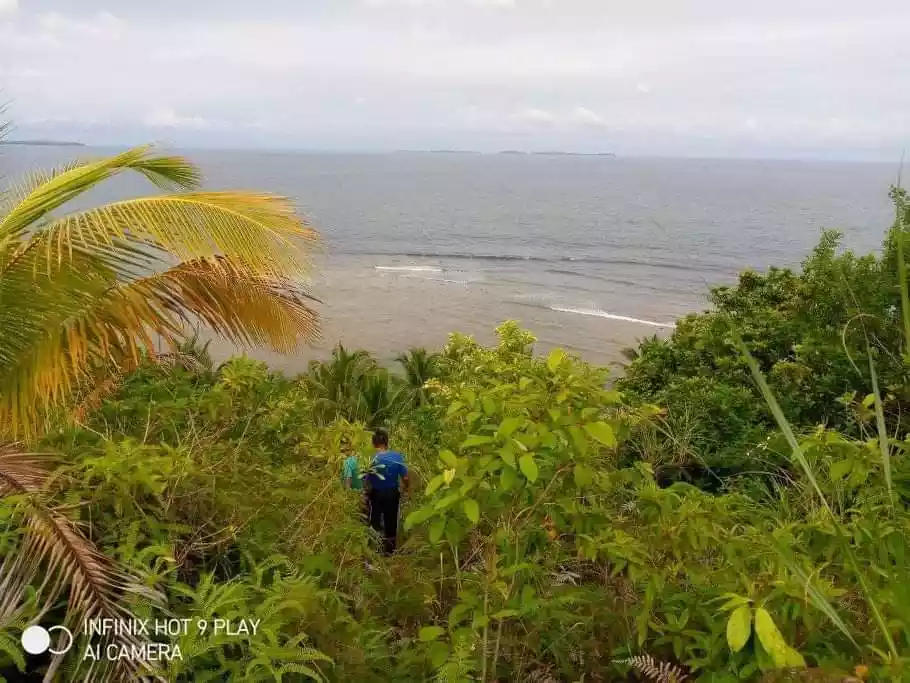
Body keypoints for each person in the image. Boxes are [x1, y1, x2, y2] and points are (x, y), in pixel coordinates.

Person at [365, 428, 409, 555]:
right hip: (392, 494)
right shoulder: (396, 457)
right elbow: (405, 478)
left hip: (376, 494)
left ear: (374, 443)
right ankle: (390, 552)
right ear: (386, 442)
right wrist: (406, 489)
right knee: (391, 521)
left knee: (375, 521)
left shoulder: (372, 459)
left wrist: (366, 493)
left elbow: (367, 481)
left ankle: (375, 549)